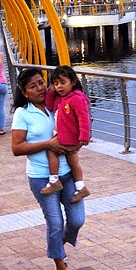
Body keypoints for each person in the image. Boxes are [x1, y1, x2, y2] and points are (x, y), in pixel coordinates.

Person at [11, 68, 85, 270]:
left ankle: (57, 246)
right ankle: (60, 268)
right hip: (42, 177)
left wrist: (78, 142)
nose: (40, 88)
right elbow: (16, 148)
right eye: (33, 86)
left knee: (77, 220)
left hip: (67, 173)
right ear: (25, 92)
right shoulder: (22, 113)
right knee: (55, 223)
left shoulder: (58, 102)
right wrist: (48, 144)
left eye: (41, 83)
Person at [42, 65, 91, 202]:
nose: (59, 87)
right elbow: (49, 105)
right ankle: (80, 187)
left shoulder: (77, 98)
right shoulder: (60, 97)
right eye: (56, 84)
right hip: (65, 135)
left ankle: (54, 180)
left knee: (51, 152)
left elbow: (84, 118)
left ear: (73, 82)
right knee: (73, 162)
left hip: (69, 136)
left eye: (63, 83)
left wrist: (84, 136)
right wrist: (50, 92)